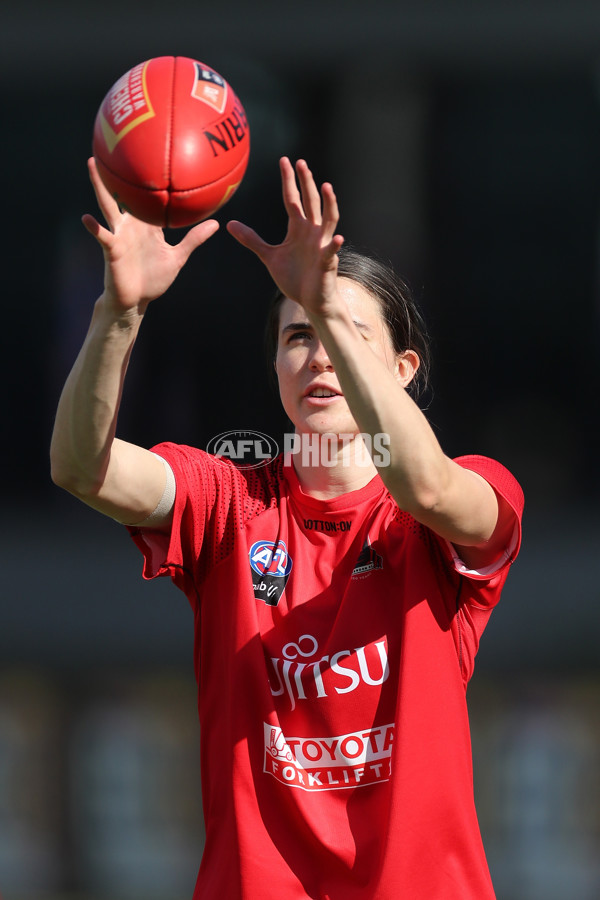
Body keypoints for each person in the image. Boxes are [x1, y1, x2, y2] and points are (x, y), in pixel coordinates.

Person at [50, 155, 523, 899]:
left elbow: (423, 481)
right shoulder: (227, 499)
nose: (319, 355)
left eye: (343, 332)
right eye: (296, 335)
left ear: (403, 369)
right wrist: (121, 314)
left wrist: (324, 302)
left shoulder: (466, 499)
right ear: (274, 366)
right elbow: (84, 468)